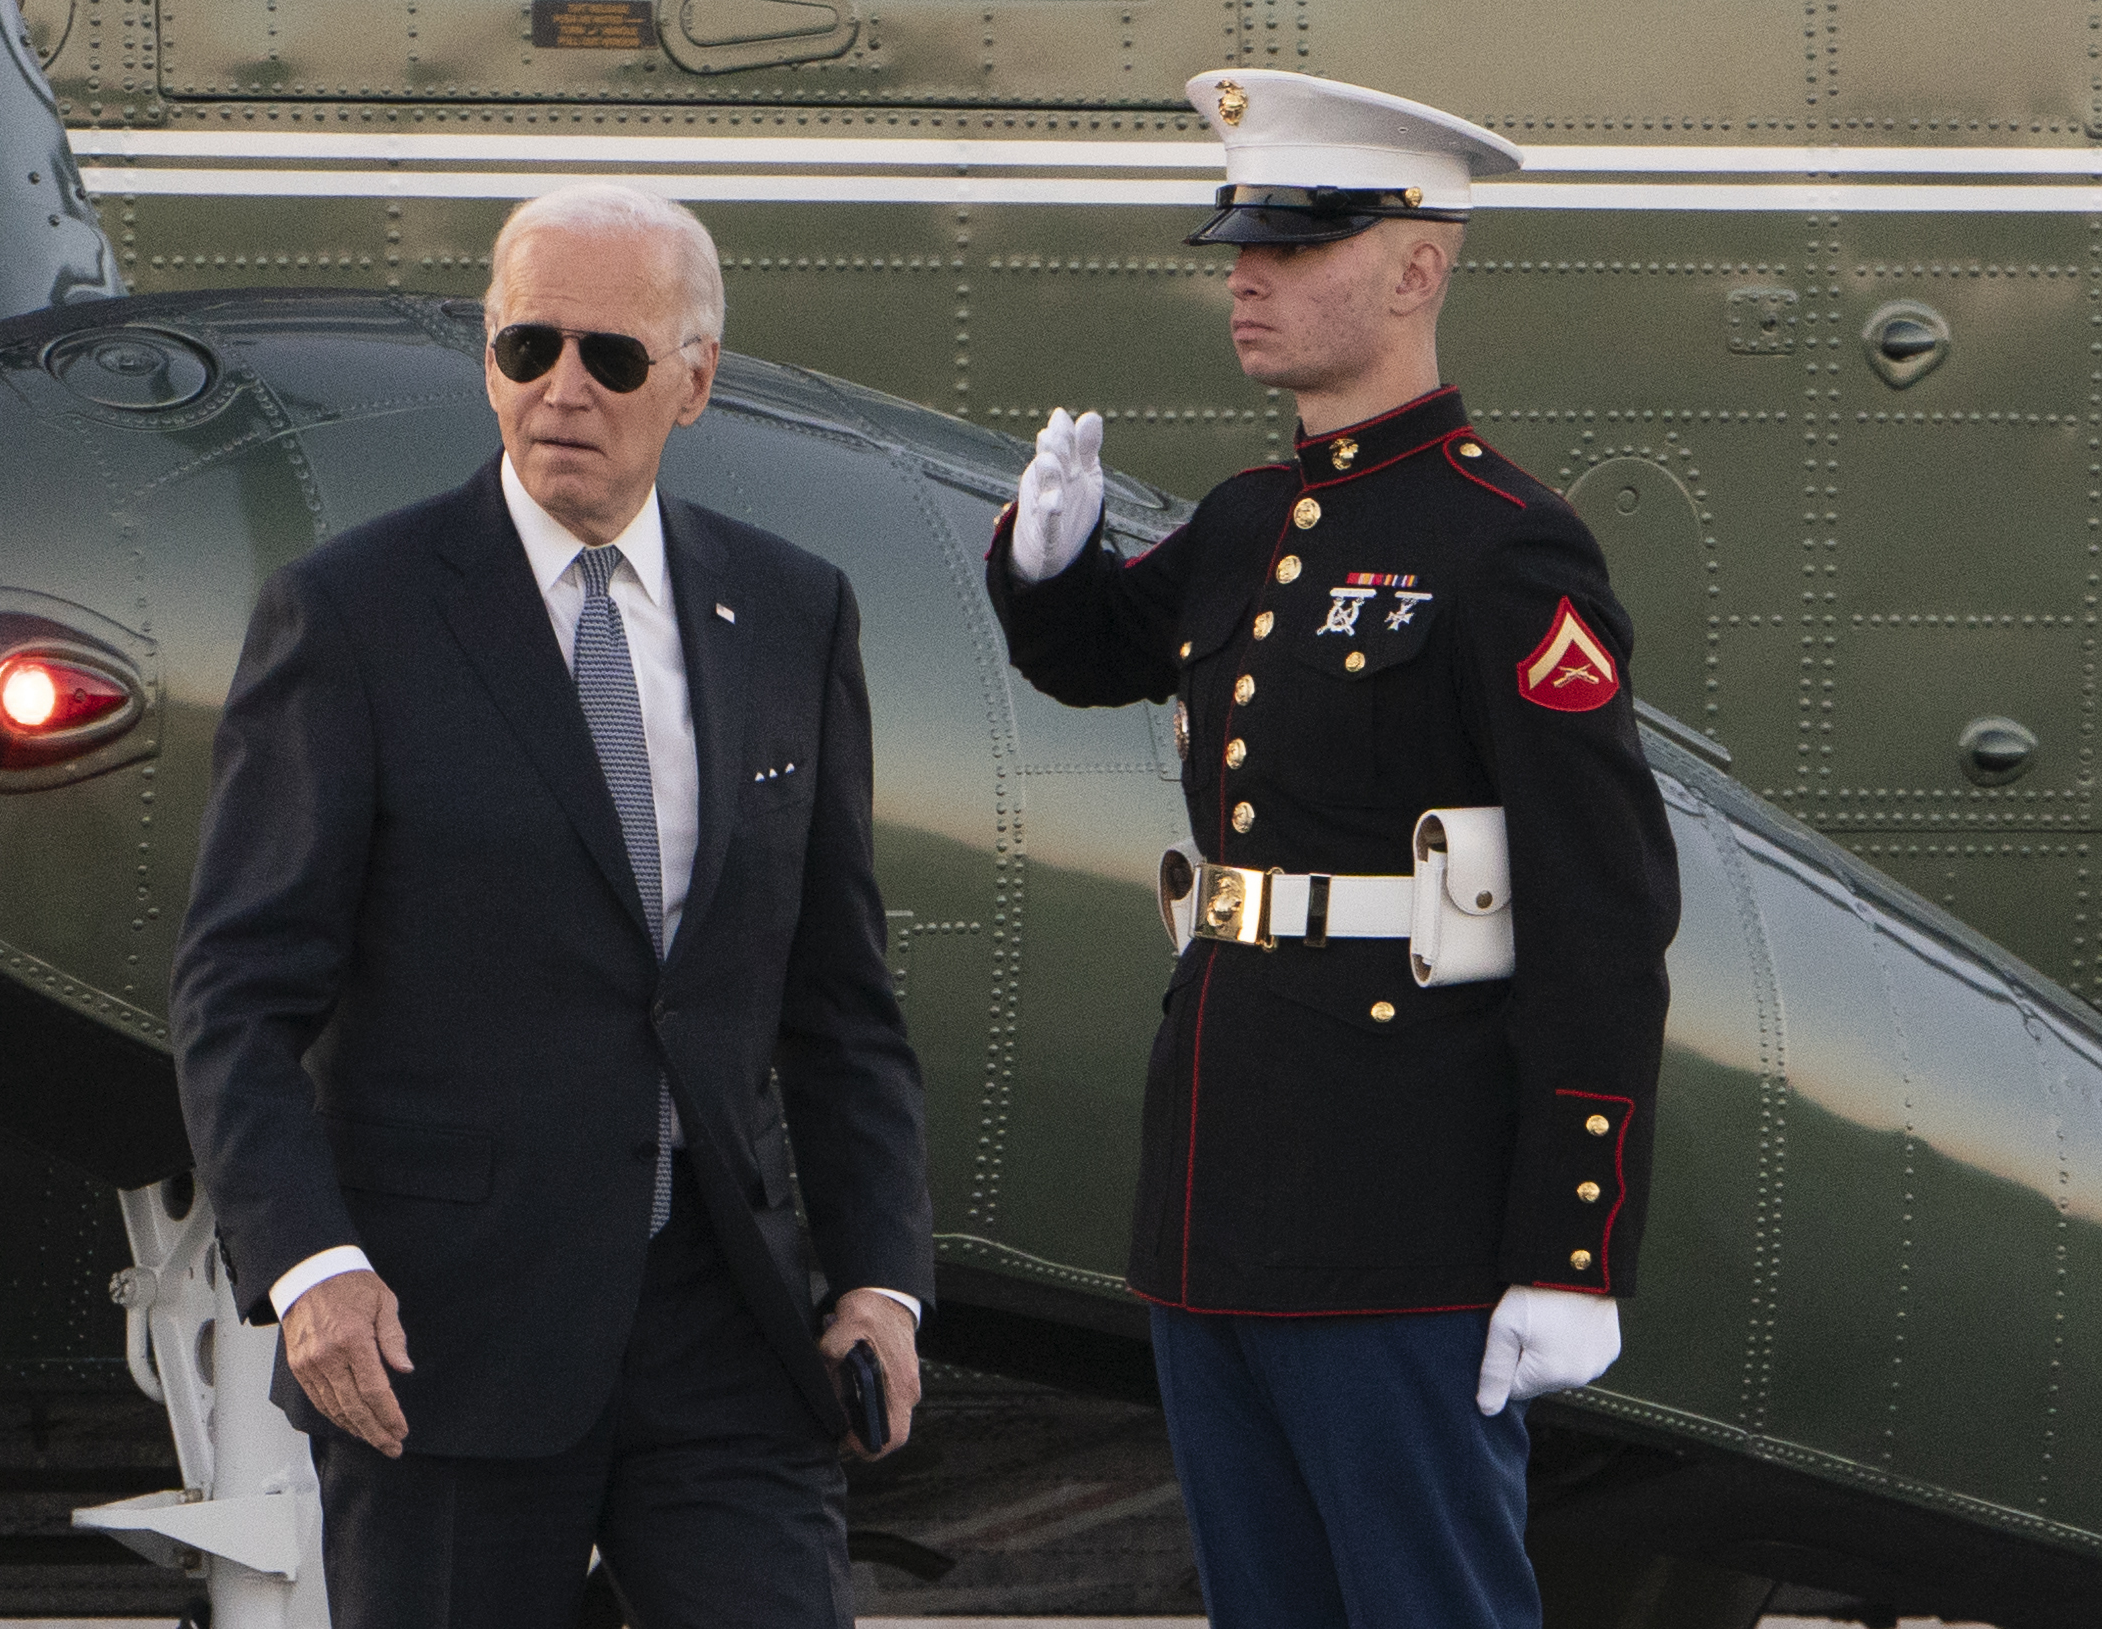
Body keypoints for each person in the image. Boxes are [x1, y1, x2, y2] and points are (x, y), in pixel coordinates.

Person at [172, 181, 932, 1629]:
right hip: (442, 1343)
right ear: (487, 360)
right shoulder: (355, 615)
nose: (563, 390)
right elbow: (236, 996)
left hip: (725, 1329)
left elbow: (840, 998)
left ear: (696, 382)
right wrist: (312, 1268)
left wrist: (884, 1279)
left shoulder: (790, 612)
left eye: (613, 357)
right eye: (528, 349)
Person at [985, 71, 1681, 1629]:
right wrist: (1044, 556)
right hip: (1220, 1188)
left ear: (1419, 266)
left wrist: (1574, 1246)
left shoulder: (1505, 545)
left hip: (1404, 1206)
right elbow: (1102, 651)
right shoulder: (1249, 520)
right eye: (1242, 240)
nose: (1249, 272)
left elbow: (1603, 905)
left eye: (1297, 244)